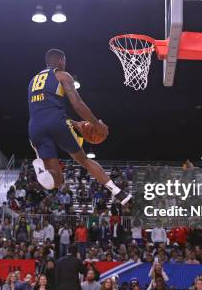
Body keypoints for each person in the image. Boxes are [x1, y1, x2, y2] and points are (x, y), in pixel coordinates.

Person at [27, 49, 131, 206]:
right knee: (84, 160)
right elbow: (77, 104)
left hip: (34, 128)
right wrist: (97, 124)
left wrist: (75, 124)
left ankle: (42, 171)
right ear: (61, 60)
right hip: (56, 122)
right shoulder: (62, 75)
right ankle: (117, 191)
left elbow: (44, 111)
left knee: (56, 181)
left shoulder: (32, 81)